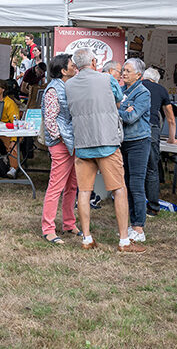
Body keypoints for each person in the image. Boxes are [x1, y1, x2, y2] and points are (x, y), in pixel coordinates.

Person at [65, 48, 144, 253]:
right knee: (119, 189)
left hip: (82, 142)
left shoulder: (69, 84)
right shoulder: (107, 79)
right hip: (107, 140)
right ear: (93, 61)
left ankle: (87, 237)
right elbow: (118, 101)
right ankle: (124, 241)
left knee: (84, 191)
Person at [40, 53, 79, 244]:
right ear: (63, 71)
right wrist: (61, 139)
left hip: (71, 144)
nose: (75, 66)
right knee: (56, 187)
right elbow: (50, 119)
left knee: (72, 185)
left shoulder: (67, 86)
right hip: (62, 145)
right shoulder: (53, 90)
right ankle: (48, 229)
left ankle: (69, 223)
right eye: (72, 64)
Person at [118, 59, 152, 243]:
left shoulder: (143, 93)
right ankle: (131, 226)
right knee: (126, 185)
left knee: (136, 185)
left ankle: (139, 228)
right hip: (125, 141)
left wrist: (119, 109)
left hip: (139, 142)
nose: (123, 73)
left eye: (128, 71)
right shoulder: (123, 92)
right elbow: (124, 112)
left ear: (138, 75)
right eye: (123, 70)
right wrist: (123, 108)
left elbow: (131, 117)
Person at [142, 67, 175, 216]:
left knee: (134, 168)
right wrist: (171, 139)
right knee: (152, 168)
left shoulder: (134, 86)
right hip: (151, 128)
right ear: (156, 79)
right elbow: (170, 118)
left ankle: (134, 203)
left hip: (133, 128)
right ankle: (153, 207)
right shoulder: (161, 90)